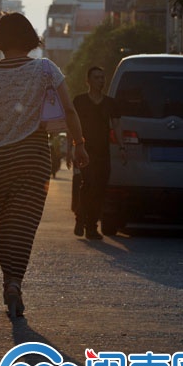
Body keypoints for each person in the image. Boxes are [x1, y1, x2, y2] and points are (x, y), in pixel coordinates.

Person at [0, 11, 89, 318]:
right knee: (24, 224)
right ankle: (14, 281)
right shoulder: (45, 69)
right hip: (32, 156)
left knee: (4, 221)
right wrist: (79, 145)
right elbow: (69, 109)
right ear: (30, 38)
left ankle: (10, 281)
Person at [68, 66, 125, 240]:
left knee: (100, 189)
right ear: (88, 81)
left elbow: (116, 126)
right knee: (87, 184)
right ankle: (83, 221)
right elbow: (71, 125)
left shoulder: (110, 103)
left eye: (102, 77)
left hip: (103, 153)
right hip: (84, 150)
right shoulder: (79, 101)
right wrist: (69, 149)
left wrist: (122, 147)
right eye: (96, 77)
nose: (101, 81)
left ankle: (90, 226)